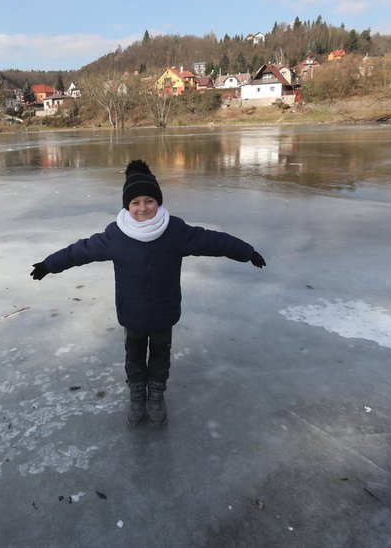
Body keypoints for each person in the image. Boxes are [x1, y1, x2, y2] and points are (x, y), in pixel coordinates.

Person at [30, 159, 266, 427]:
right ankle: (137, 394)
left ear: (158, 202)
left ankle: (156, 395)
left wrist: (247, 252)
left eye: (149, 201)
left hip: (164, 312)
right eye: (135, 203)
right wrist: (50, 264)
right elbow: (79, 251)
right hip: (132, 313)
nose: (143, 208)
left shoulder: (176, 231)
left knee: (160, 355)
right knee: (133, 355)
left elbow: (214, 241)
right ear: (127, 206)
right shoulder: (116, 235)